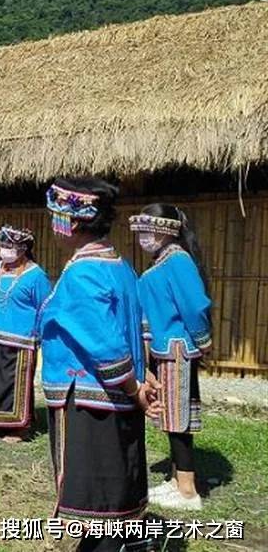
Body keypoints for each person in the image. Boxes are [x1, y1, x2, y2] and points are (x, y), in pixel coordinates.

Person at [39, 178, 159, 552]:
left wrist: (132, 388)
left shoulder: (82, 274)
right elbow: (141, 328)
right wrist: (143, 379)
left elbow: (104, 345)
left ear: (69, 222)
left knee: (99, 497)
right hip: (118, 394)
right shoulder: (121, 266)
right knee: (115, 486)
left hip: (94, 398)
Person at [130, 204, 212, 511]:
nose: (143, 237)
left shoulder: (177, 261)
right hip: (164, 349)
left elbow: (194, 305)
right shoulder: (162, 262)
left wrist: (203, 340)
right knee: (171, 416)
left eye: (148, 230)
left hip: (176, 348)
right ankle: (178, 480)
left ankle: (188, 490)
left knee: (178, 419)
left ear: (165, 230)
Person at [0, 226, 51, 442]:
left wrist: (42, 338)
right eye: (2, 246)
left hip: (19, 339)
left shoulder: (36, 276)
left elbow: (45, 307)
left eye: (9, 246)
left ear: (23, 249)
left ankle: (17, 427)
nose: (4, 250)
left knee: (11, 382)